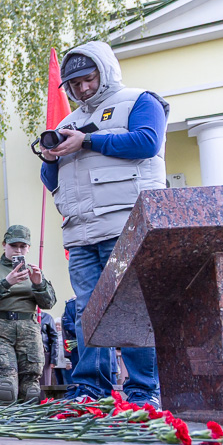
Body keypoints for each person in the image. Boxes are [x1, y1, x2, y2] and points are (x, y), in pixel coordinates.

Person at [38, 41, 167, 407]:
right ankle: (90, 389)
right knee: (85, 313)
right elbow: (53, 181)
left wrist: (89, 140)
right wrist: (49, 157)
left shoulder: (141, 100)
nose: (81, 89)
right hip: (80, 233)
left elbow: (147, 142)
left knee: (131, 306)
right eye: (74, 84)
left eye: (87, 79)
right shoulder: (67, 123)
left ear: (105, 71)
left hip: (126, 226)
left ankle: (144, 392)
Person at [0, 225, 57, 404]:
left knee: (31, 391)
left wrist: (39, 284)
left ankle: (25, 427)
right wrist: (6, 283)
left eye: (22, 246)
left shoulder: (35, 272)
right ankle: (0, 426)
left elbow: (49, 303)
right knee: (6, 387)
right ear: (4, 245)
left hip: (28, 330)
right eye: (13, 246)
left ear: (28, 248)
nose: (18, 250)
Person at [39, 308, 60, 383]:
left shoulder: (47, 317)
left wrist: (53, 359)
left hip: (44, 353)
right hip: (27, 353)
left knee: (45, 382)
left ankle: (44, 395)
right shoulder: (25, 317)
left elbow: (54, 339)